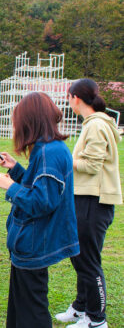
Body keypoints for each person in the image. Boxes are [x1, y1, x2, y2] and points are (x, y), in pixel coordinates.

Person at [0, 92, 80, 327]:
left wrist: (10, 186)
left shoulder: (50, 152)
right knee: (22, 305)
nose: (15, 126)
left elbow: (42, 202)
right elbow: (40, 185)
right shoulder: (47, 148)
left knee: (32, 310)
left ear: (30, 121)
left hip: (35, 242)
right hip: (29, 241)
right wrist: (16, 169)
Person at [55, 79, 121, 328]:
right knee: (80, 256)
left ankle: (96, 319)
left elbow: (92, 166)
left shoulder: (95, 125)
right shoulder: (94, 124)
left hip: (94, 201)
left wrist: (65, 160)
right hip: (86, 198)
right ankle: (81, 307)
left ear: (75, 98)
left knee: (87, 261)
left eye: (68, 97)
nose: (68, 102)